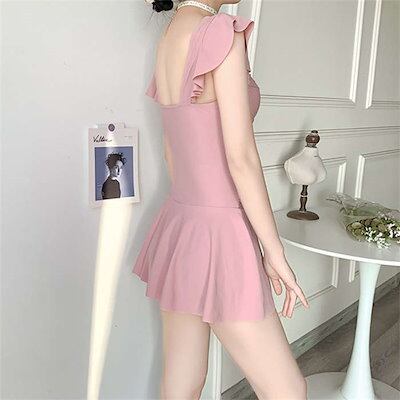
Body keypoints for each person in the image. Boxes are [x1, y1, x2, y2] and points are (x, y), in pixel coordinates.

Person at [133, 0, 310, 398]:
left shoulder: (169, 37)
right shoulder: (220, 32)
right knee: (288, 390)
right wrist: (274, 250)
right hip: (222, 232)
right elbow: (240, 157)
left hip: (181, 225)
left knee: (181, 383)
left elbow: (172, 154)